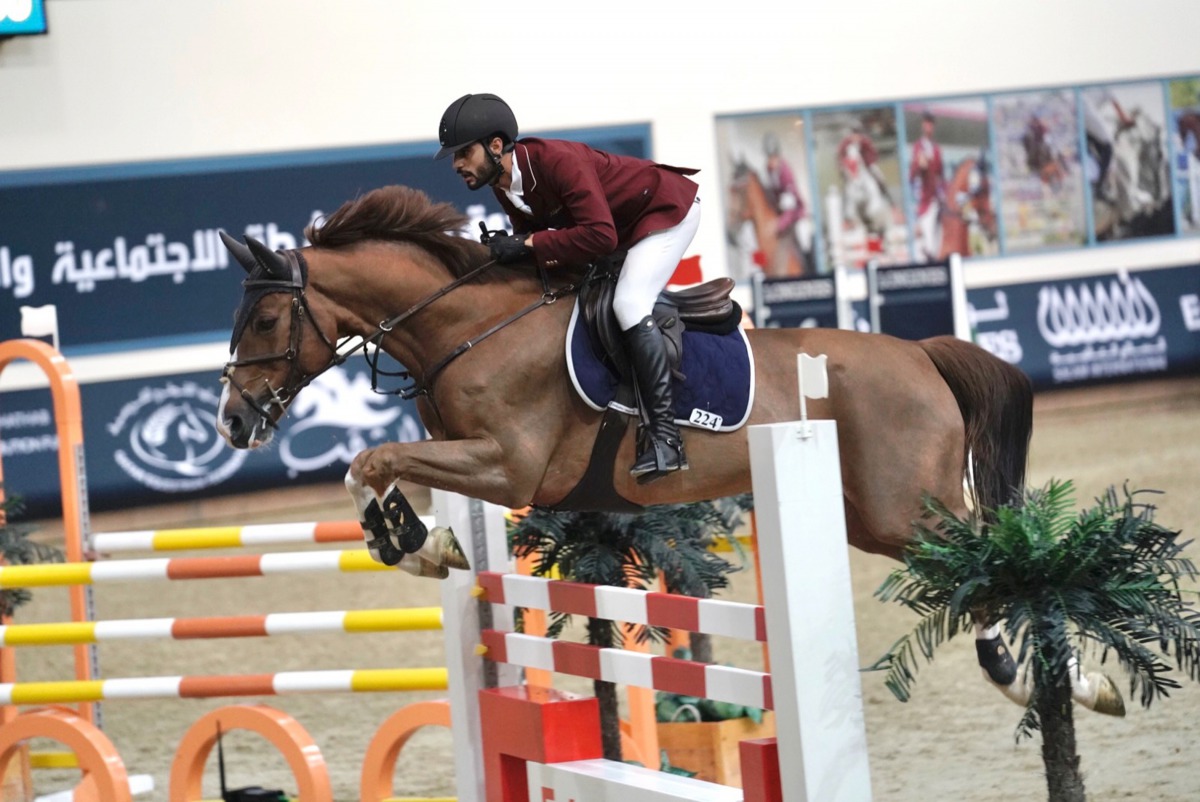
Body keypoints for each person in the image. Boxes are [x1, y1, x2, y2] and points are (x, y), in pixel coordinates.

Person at [434, 93, 701, 482]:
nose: (457, 164)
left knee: (629, 303)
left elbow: (600, 236)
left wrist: (526, 245)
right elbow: (541, 240)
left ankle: (665, 439)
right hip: (622, 230)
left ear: (495, 146)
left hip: (664, 213)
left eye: (463, 153)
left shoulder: (558, 161)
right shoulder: (503, 184)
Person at [908, 111, 945, 261]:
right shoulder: (918, 147)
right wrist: (919, 165)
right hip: (924, 200)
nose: (928, 127)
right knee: (927, 240)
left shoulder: (936, 149)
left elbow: (941, 174)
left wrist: (942, 193)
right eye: (926, 123)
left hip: (936, 198)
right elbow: (913, 176)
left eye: (931, 124)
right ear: (923, 125)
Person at [837, 124, 893, 203]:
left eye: (857, 134)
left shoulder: (865, 141)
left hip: (866, 165)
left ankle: (889, 199)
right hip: (851, 168)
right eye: (854, 134)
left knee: (879, 177)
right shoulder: (845, 143)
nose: (855, 137)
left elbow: (873, 153)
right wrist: (842, 166)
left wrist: (868, 162)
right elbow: (840, 155)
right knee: (845, 184)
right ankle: (845, 207)